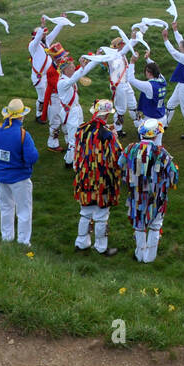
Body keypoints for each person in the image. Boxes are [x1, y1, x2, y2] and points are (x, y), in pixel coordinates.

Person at [117, 116, 179, 263]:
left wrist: (129, 177)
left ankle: (139, 255)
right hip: (157, 195)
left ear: (141, 133)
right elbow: (173, 176)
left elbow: (120, 164)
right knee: (155, 225)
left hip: (137, 193)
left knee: (139, 224)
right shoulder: (162, 153)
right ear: (156, 135)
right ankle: (150, 258)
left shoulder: (130, 148)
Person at [0, 98, 39, 246]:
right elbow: (32, 157)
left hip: (1, 178)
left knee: (6, 209)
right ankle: (23, 242)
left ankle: (7, 239)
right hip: (20, 179)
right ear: (21, 116)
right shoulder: (23, 134)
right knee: (23, 211)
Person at [72, 99, 122, 256]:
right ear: (106, 115)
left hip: (84, 176)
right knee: (101, 215)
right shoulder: (108, 135)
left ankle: (81, 243)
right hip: (103, 179)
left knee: (85, 211)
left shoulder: (81, 129)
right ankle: (101, 247)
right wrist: (116, 138)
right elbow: (117, 158)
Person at [161, 22, 184, 139]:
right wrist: (175, 30)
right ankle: (165, 124)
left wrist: (165, 39)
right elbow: (181, 41)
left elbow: (173, 52)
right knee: (170, 104)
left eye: (181, 48)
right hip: (183, 84)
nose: (179, 47)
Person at [127, 56, 168, 130]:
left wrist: (132, 62)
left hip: (151, 120)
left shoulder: (148, 86)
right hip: (162, 117)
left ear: (148, 72)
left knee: (147, 141)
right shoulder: (162, 79)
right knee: (158, 141)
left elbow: (131, 79)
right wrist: (147, 59)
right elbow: (155, 67)